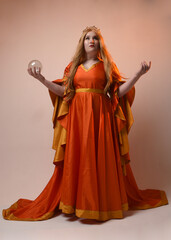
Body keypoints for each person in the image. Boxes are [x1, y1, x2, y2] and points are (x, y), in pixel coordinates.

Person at [3, 26, 168, 221]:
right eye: (87, 38)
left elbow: (118, 93)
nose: (92, 41)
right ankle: (77, 203)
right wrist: (42, 80)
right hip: (78, 119)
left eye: (95, 38)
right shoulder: (73, 67)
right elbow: (63, 92)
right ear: (82, 43)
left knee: (100, 157)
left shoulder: (107, 66)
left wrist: (138, 74)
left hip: (101, 118)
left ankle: (100, 203)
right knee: (78, 158)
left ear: (100, 43)